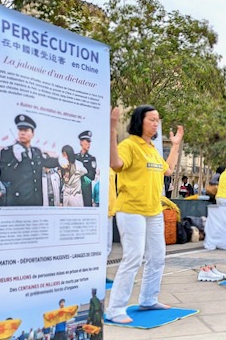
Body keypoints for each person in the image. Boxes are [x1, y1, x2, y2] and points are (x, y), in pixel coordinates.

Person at [105, 105, 183, 324]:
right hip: (131, 210)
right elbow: (115, 164)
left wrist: (175, 146)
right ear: (140, 121)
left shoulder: (151, 149)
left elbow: (167, 170)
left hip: (153, 211)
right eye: (152, 119)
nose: (156, 123)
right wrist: (112, 129)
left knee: (157, 257)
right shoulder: (129, 145)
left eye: (158, 119)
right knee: (133, 257)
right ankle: (115, 308)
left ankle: (148, 299)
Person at [0, 114, 58, 206]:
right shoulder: (8, 151)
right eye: (20, 130)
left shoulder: (36, 151)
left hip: (36, 202)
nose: (22, 133)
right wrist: (15, 160)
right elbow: (4, 177)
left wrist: (60, 161)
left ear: (32, 134)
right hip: (17, 203)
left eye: (26, 130)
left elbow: (47, 161)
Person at [75, 130, 96, 206]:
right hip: (75, 190)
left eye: (89, 141)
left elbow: (92, 175)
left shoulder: (91, 158)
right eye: (86, 141)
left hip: (86, 189)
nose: (89, 144)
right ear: (81, 142)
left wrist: (81, 175)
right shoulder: (75, 157)